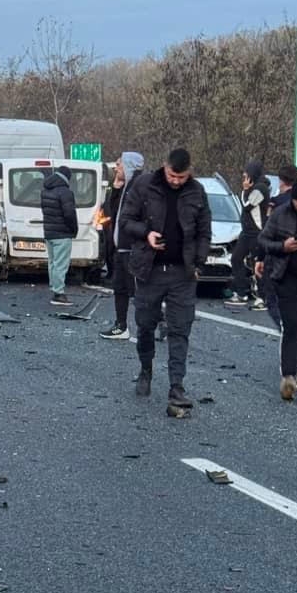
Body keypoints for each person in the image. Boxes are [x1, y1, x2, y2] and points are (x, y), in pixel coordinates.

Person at [119, 147, 211, 408]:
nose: (176, 181)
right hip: (149, 269)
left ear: (189, 172)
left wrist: (199, 264)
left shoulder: (197, 192)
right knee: (146, 324)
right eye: (172, 175)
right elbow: (125, 220)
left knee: (180, 329)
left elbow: (205, 231)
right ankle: (145, 369)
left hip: (183, 271)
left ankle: (177, 388)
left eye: (181, 177)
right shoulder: (144, 185)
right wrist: (146, 233)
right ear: (165, 167)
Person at [259, 177, 297, 399]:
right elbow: (263, 240)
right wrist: (283, 247)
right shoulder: (280, 214)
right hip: (288, 280)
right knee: (292, 327)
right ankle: (288, 376)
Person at [99, 152, 144, 339]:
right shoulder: (125, 187)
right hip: (121, 248)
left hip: (132, 249)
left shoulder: (139, 187)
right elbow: (114, 212)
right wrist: (116, 189)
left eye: (118, 164)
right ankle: (121, 325)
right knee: (120, 288)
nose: (116, 168)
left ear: (128, 166)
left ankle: (161, 320)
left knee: (138, 292)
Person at [254, 163, 297, 329]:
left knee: (273, 300)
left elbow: (267, 232)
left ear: (281, 181)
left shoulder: (277, 204)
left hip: (277, 259)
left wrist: (260, 258)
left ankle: (289, 333)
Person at [224, 161, 270, 308]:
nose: (244, 179)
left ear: (252, 175)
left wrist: (245, 190)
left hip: (257, 233)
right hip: (246, 233)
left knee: (258, 264)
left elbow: (246, 206)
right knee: (236, 258)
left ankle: (262, 297)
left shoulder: (261, 189)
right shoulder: (253, 188)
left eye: (246, 176)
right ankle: (241, 292)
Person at [40, 165, 78, 306]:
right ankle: (59, 293)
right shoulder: (65, 192)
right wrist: (74, 229)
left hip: (49, 232)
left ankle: (54, 288)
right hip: (63, 233)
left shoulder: (45, 191)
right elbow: (69, 214)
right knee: (61, 264)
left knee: (52, 263)